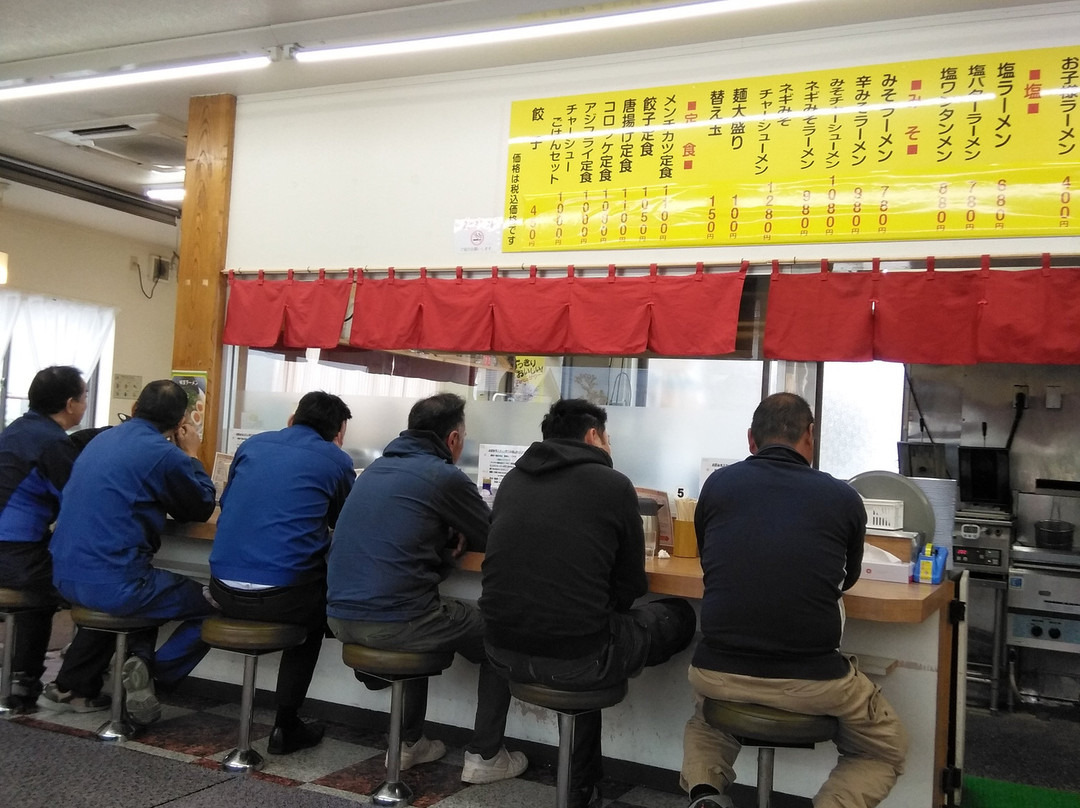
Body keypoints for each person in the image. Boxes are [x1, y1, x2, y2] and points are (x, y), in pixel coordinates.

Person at [681, 392, 907, 808]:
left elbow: (710, 556)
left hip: (717, 670)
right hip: (813, 680)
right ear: (811, 436)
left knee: (708, 720)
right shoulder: (842, 497)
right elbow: (848, 578)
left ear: (751, 439)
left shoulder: (717, 486)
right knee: (883, 749)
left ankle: (705, 795)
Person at [480, 398, 697, 808]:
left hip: (500, 654)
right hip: (582, 658)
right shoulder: (613, 485)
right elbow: (631, 584)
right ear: (594, 435)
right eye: (609, 437)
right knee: (678, 615)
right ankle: (580, 788)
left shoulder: (512, 480)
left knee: (588, 632)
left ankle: (582, 786)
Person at [326, 392, 527, 785]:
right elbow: (492, 538)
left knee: (418, 608)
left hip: (338, 619)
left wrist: (441, 538)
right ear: (452, 439)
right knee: (500, 633)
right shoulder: (443, 476)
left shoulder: (375, 470)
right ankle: (485, 756)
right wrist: (457, 534)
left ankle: (406, 743)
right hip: (394, 621)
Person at [38, 379, 217, 725]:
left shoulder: (100, 439)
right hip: (117, 583)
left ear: (134, 408)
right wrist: (192, 454)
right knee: (215, 604)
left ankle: (73, 686)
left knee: (134, 604)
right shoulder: (165, 455)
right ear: (181, 422)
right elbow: (198, 508)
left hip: (63, 574)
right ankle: (153, 673)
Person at [209, 391, 355, 754]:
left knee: (307, 599)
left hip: (222, 591)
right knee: (313, 622)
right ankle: (286, 725)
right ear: (338, 432)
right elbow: (345, 523)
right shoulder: (335, 459)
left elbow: (226, 504)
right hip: (282, 599)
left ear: (292, 418)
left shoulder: (253, 446)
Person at [0, 366, 88, 709]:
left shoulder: (16, 430)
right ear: (70, 404)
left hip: (13, 550)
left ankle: (25, 677)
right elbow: (77, 504)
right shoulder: (52, 443)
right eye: (83, 396)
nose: (84, 402)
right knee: (88, 584)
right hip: (16, 555)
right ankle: (71, 682)